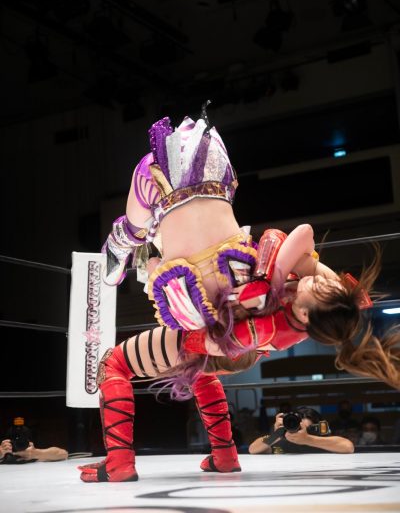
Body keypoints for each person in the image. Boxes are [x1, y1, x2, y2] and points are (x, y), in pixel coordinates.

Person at [79, 110, 400, 483]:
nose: (320, 282)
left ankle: (119, 463)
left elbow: (210, 343)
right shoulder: (309, 298)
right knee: (201, 366)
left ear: (305, 314)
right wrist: (271, 279)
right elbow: (301, 235)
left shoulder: (269, 327)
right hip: (213, 258)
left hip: (208, 322)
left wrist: (248, 296)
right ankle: (225, 456)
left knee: (115, 364)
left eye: (321, 290)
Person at [249, 407, 354, 454]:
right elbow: (253, 449)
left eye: (307, 429)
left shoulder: (322, 441)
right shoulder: (280, 440)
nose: (301, 431)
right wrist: (276, 435)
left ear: (316, 428)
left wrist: (308, 439)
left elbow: (348, 447)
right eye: (298, 427)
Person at [0, 439, 68, 463]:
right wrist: (1, 453)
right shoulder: (3, 448)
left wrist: (35, 454)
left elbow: (64, 454)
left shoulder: (30, 451)